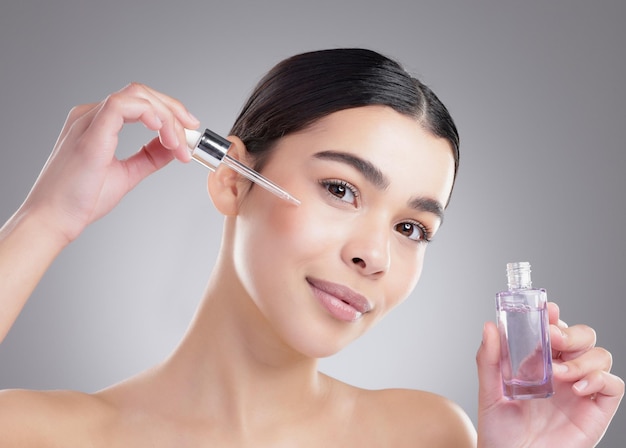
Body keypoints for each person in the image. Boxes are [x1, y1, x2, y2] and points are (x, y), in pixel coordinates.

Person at [0, 48, 622, 447]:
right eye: (342, 189)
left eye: (412, 228)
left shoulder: (424, 435)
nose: (374, 254)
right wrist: (46, 219)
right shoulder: (37, 433)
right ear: (231, 178)